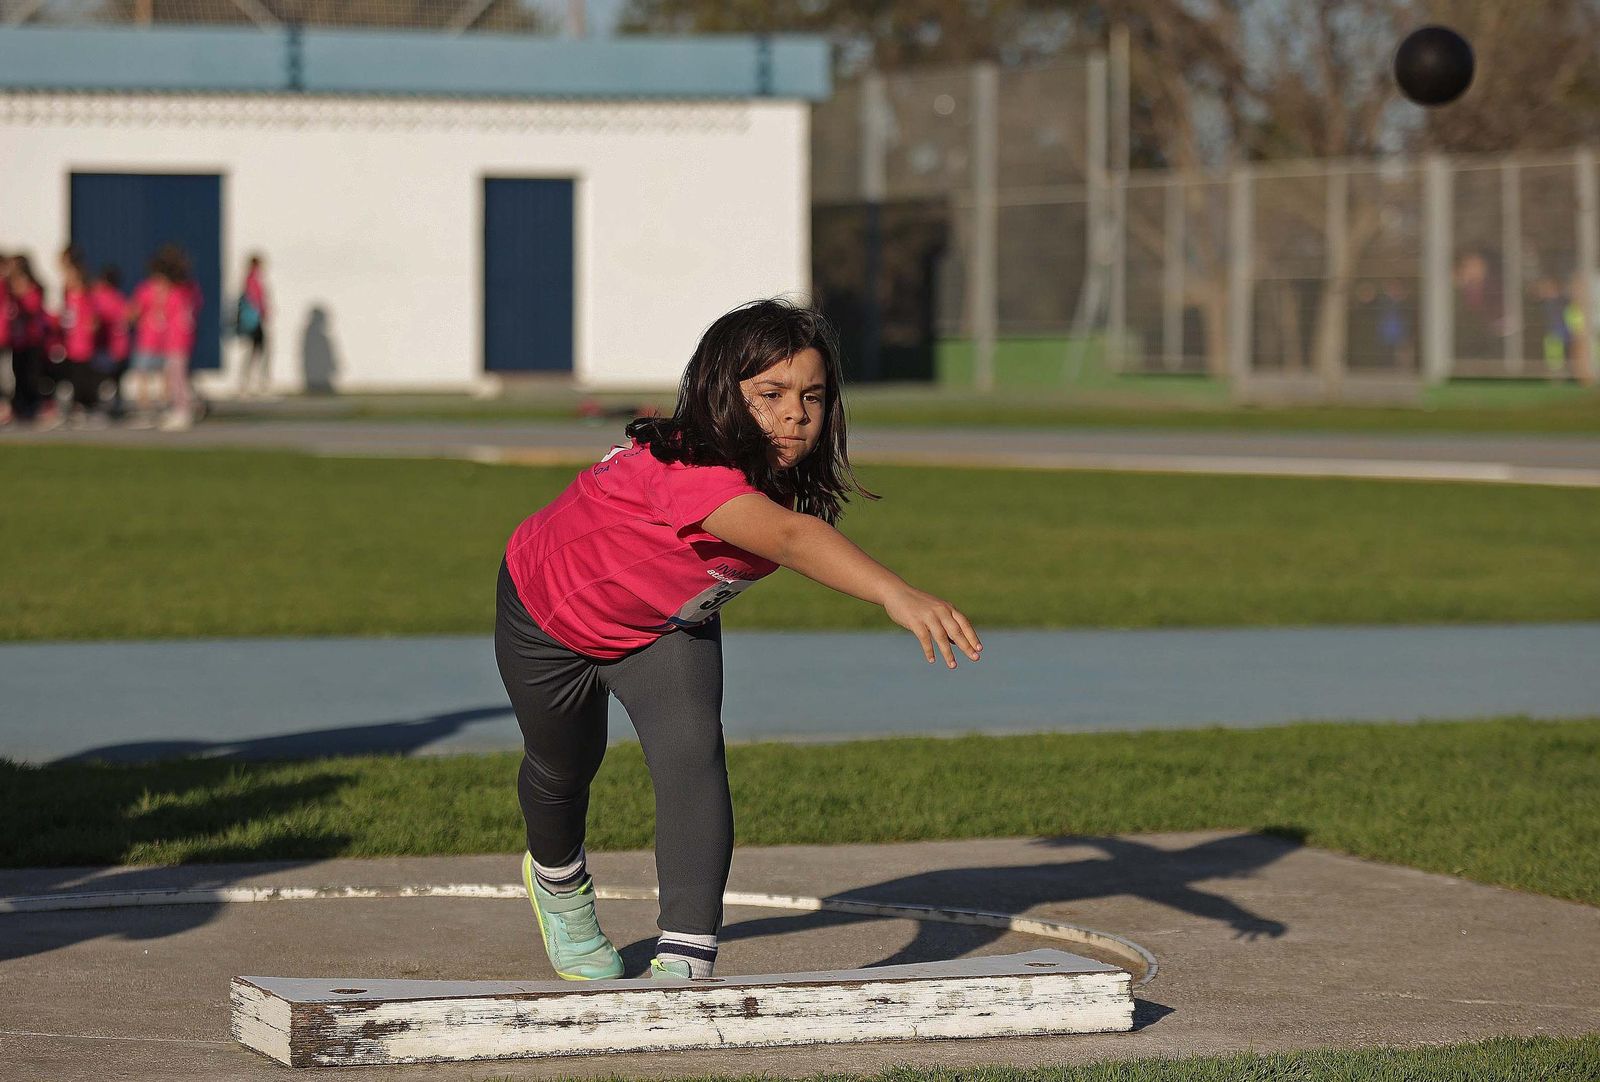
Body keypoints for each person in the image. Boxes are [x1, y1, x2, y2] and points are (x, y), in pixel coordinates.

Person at [495, 298, 983, 983]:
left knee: (694, 754)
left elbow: (781, 529)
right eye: (771, 394)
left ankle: (687, 955)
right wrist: (894, 592)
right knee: (564, 767)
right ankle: (559, 884)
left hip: (663, 628)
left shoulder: (775, 477)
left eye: (812, 395)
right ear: (722, 395)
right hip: (547, 618)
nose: (795, 413)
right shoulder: (687, 469)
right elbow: (790, 538)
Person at [55, 246, 103, 425]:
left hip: (82, 340)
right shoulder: (70, 295)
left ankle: (86, 404)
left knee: (83, 373)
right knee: (74, 372)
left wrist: (90, 328)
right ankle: (77, 404)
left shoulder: (85, 296)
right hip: (72, 340)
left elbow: (93, 318)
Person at [5, 253, 52, 427]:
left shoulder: (33, 290)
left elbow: (32, 310)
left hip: (32, 341)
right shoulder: (9, 291)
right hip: (17, 341)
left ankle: (33, 406)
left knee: (30, 376)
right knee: (17, 375)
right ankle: (20, 407)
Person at [126, 255, 173, 425]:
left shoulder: (146, 290)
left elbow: (134, 312)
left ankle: (145, 408)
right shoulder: (170, 290)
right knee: (163, 375)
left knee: (144, 375)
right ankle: (164, 405)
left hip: (149, 339)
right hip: (164, 339)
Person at [90, 266, 131, 417]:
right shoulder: (120, 298)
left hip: (108, 347)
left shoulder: (101, 297)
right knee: (114, 380)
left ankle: (105, 407)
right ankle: (115, 406)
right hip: (120, 347)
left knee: (102, 378)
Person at [235, 253, 271, 398]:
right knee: (256, 351)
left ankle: (249, 383)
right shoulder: (253, 280)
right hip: (254, 321)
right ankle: (252, 383)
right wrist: (263, 312)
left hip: (252, 320)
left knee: (254, 351)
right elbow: (256, 300)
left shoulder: (248, 279)